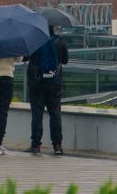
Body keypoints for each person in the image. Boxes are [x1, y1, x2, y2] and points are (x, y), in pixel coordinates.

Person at [26, 25, 69, 155]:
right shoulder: (60, 41)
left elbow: (25, 58)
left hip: (36, 83)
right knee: (55, 114)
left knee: (37, 114)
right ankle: (57, 146)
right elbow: (65, 61)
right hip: (54, 83)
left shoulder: (34, 42)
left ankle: (36, 145)